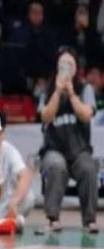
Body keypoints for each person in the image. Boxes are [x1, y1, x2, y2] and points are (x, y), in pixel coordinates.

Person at [39, 46, 99, 234]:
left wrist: (71, 93)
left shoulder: (85, 89)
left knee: (88, 168)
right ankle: (53, 219)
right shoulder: (48, 89)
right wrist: (58, 91)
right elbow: (45, 116)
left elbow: (86, 115)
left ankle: (89, 220)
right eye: (62, 64)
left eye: (70, 64)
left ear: (76, 68)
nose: (66, 67)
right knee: (57, 166)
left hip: (79, 150)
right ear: (57, 67)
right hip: (54, 149)